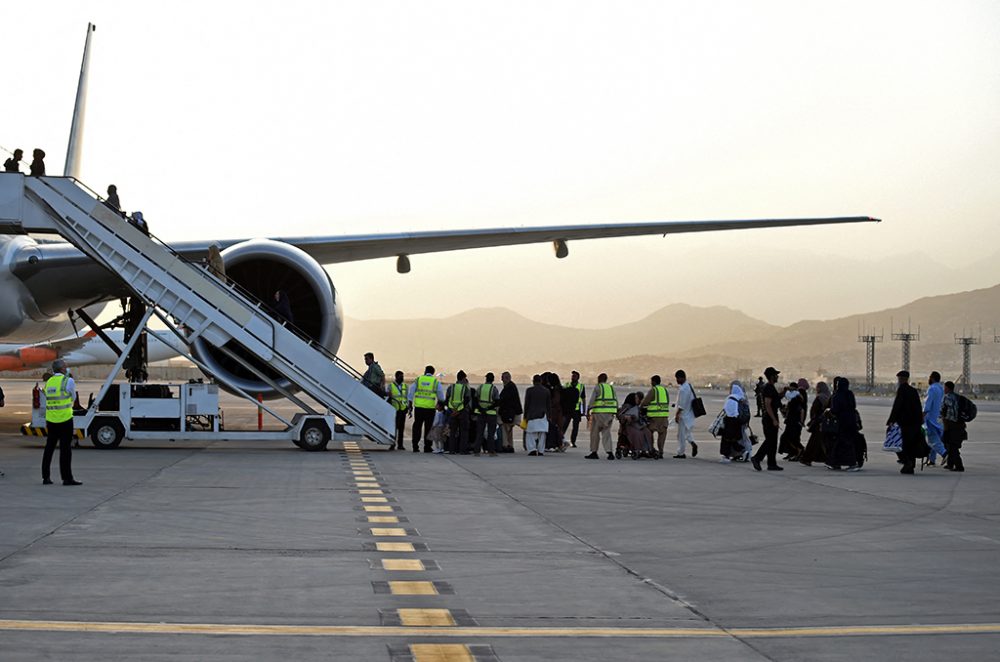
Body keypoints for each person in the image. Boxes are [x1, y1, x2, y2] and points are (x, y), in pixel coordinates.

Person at [41, 360, 81, 486]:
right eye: (65, 366)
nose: (67, 367)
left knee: (49, 448)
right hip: (65, 419)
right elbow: (73, 398)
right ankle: (67, 478)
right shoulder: (68, 381)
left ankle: (46, 477)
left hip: (51, 419)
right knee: (65, 450)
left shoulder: (49, 382)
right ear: (62, 369)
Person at [887, 370, 926, 475]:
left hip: (905, 423)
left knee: (899, 444)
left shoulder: (902, 390)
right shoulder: (913, 391)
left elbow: (897, 406)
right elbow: (918, 407)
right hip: (914, 423)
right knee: (911, 444)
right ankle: (910, 464)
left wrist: (891, 420)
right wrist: (920, 421)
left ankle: (907, 462)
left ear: (902, 379)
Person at [752, 366, 783, 471]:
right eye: (776, 375)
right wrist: (774, 419)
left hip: (770, 416)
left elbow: (775, 399)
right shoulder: (769, 387)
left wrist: (783, 393)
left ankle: (771, 464)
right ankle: (757, 458)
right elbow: (768, 404)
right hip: (769, 417)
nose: (777, 376)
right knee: (770, 441)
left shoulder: (770, 387)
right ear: (771, 376)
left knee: (773, 442)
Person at [827, 377, 860, 471]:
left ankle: (850, 463)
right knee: (846, 442)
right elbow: (853, 406)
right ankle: (836, 463)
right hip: (851, 420)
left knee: (843, 443)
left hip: (842, 421)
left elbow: (835, 409)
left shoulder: (837, 395)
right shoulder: (850, 394)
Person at [409, 366, 444, 453]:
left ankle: (415, 446)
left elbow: (411, 392)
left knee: (417, 427)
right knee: (428, 428)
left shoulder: (418, 379)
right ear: (433, 372)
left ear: (425, 371)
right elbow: (440, 395)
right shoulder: (435, 382)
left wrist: (410, 403)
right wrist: (440, 405)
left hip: (419, 408)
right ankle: (427, 447)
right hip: (430, 409)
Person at [585, 373, 618, 460]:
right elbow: (615, 400)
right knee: (606, 433)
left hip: (599, 413)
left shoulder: (598, 387)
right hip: (610, 414)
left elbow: (592, 400)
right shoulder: (611, 388)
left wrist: (588, 410)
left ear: (599, 379)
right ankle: (610, 452)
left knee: (594, 433)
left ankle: (594, 452)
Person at [799, 381, 831, 466]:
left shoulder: (819, 397)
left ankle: (806, 458)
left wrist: (813, 419)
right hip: (825, 422)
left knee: (814, 442)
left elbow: (814, 410)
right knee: (822, 442)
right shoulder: (828, 397)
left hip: (818, 423)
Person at [640, 375, 670, 459]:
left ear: (653, 382)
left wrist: (640, 407)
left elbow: (645, 402)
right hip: (664, 416)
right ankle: (661, 452)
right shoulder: (664, 390)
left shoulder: (654, 390)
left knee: (649, 432)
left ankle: (651, 450)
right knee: (662, 434)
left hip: (654, 417)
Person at [940, 381, 966, 472]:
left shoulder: (946, 398)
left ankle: (959, 465)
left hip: (951, 425)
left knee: (951, 445)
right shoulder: (957, 397)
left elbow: (942, 411)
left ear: (947, 388)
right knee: (951, 444)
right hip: (960, 424)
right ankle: (950, 464)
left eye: (945, 388)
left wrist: (944, 424)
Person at [923, 371, 947, 466]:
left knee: (933, 440)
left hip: (931, 419)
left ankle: (945, 453)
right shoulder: (941, 388)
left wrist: (923, 414)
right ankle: (932, 460)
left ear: (932, 378)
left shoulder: (932, 389)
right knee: (935, 439)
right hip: (938, 418)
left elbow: (928, 404)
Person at [619, 392, 653, 459]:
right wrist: (626, 417)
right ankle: (637, 449)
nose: (637, 400)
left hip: (637, 425)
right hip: (629, 426)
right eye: (636, 398)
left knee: (647, 432)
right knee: (638, 434)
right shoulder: (627, 406)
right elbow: (620, 415)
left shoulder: (637, 407)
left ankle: (648, 449)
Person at [779, 380, 807, 461]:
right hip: (791, 421)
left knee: (792, 438)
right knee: (788, 438)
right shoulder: (792, 400)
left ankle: (799, 451)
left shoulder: (798, 397)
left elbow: (801, 410)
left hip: (795, 422)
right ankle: (796, 452)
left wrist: (801, 422)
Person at [673, 370, 698, 459]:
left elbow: (682, 405)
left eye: (677, 378)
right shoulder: (688, 386)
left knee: (681, 435)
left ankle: (681, 453)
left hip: (683, 415)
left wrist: (677, 414)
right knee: (687, 433)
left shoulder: (683, 389)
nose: (676, 380)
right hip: (689, 414)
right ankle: (692, 443)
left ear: (681, 378)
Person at [445, 371, 472, 454]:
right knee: (464, 431)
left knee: (452, 432)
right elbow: (467, 400)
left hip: (452, 412)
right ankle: (463, 450)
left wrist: (453, 410)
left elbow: (447, 399)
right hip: (463, 412)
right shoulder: (465, 388)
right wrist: (459, 410)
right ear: (464, 378)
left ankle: (452, 450)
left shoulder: (451, 387)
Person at [523, 374, 550, 456]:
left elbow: (526, 404)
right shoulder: (546, 391)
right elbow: (548, 405)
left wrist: (525, 416)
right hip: (543, 415)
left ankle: (532, 450)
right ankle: (541, 450)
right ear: (541, 381)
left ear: (533, 381)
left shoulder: (529, 390)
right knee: (542, 434)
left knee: (530, 434)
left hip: (531, 415)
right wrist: (549, 416)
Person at [474, 372, 499, 456]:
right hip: (491, 413)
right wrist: (488, 408)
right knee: (491, 433)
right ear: (493, 379)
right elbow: (497, 401)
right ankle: (491, 451)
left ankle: (477, 451)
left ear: (486, 378)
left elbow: (475, 399)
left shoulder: (480, 387)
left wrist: (481, 408)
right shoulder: (494, 388)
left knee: (480, 432)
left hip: (480, 413)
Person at [719, 382, 745, 463]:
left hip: (729, 421)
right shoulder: (740, 398)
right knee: (733, 440)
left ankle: (728, 455)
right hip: (736, 422)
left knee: (727, 440)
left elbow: (725, 409)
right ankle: (742, 452)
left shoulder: (730, 398)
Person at [497, 371, 522, 454]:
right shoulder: (511, 386)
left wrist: (499, 410)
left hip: (509, 413)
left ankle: (506, 445)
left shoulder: (508, 388)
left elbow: (504, 401)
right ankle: (510, 445)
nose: (501, 379)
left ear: (506, 378)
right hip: (513, 412)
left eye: (502, 378)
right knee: (509, 430)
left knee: (505, 429)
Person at [562, 371, 585, 447]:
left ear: (578, 378)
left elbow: (583, 399)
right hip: (568, 409)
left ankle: (573, 441)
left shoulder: (581, 386)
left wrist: (583, 410)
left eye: (574, 376)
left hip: (576, 410)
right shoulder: (567, 385)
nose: (572, 377)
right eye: (572, 376)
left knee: (575, 427)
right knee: (564, 425)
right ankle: (560, 439)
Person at [386, 370, 409, 450]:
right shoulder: (390, 386)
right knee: (394, 428)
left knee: (401, 428)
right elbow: (388, 397)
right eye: (400, 376)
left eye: (403, 376)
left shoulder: (405, 386)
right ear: (396, 377)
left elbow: (406, 398)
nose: (402, 378)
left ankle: (400, 444)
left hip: (402, 410)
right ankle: (392, 444)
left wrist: (408, 407)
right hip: (394, 410)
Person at [545, 372, 565, 452]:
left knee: (554, 428)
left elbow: (556, 400)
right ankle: (560, 443)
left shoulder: (556, 389)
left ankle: (559, 444)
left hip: (556, 411)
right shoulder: (559, 388)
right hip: (559, 410)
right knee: (558, 428)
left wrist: (550, 404)